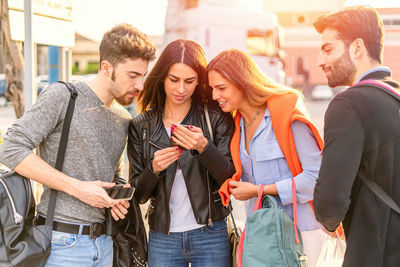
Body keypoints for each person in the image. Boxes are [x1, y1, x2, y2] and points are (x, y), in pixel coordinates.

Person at [0, 24, 155, 266]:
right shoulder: (63, 96)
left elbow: (111, 174)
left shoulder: (123, 119)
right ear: (106, 67)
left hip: (105, 245)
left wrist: (118, 197)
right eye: (133, 75)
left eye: (143, 76)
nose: (140, 86)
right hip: (61, 245)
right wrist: (77, 188)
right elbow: (11, 148)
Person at [208, 49, 325, 267]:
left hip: (300, 234)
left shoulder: (286, 111)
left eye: (221, 88)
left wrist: (259, 190)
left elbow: (316, 177)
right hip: (260, 236)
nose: (215, 95)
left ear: (242, 82)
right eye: (212, 88)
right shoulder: (236, 125)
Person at [128, 39, 234, 267]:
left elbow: (230, 177)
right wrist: (152, 169)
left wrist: (204, 148)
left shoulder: (215, 116)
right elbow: (137, 196)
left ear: (199, 82)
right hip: (163, 238)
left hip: (211, 233)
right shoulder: (141, 126)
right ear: (162, 78)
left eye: (189, 81)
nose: (180, 89)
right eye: (174, 80)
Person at [313, 6, 400, 267]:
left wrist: (330, 222)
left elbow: (329, 203)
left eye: (328, 49)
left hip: (373, 253)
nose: (320, 60)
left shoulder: (348, 105)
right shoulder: (394, 98)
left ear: (357, 47)